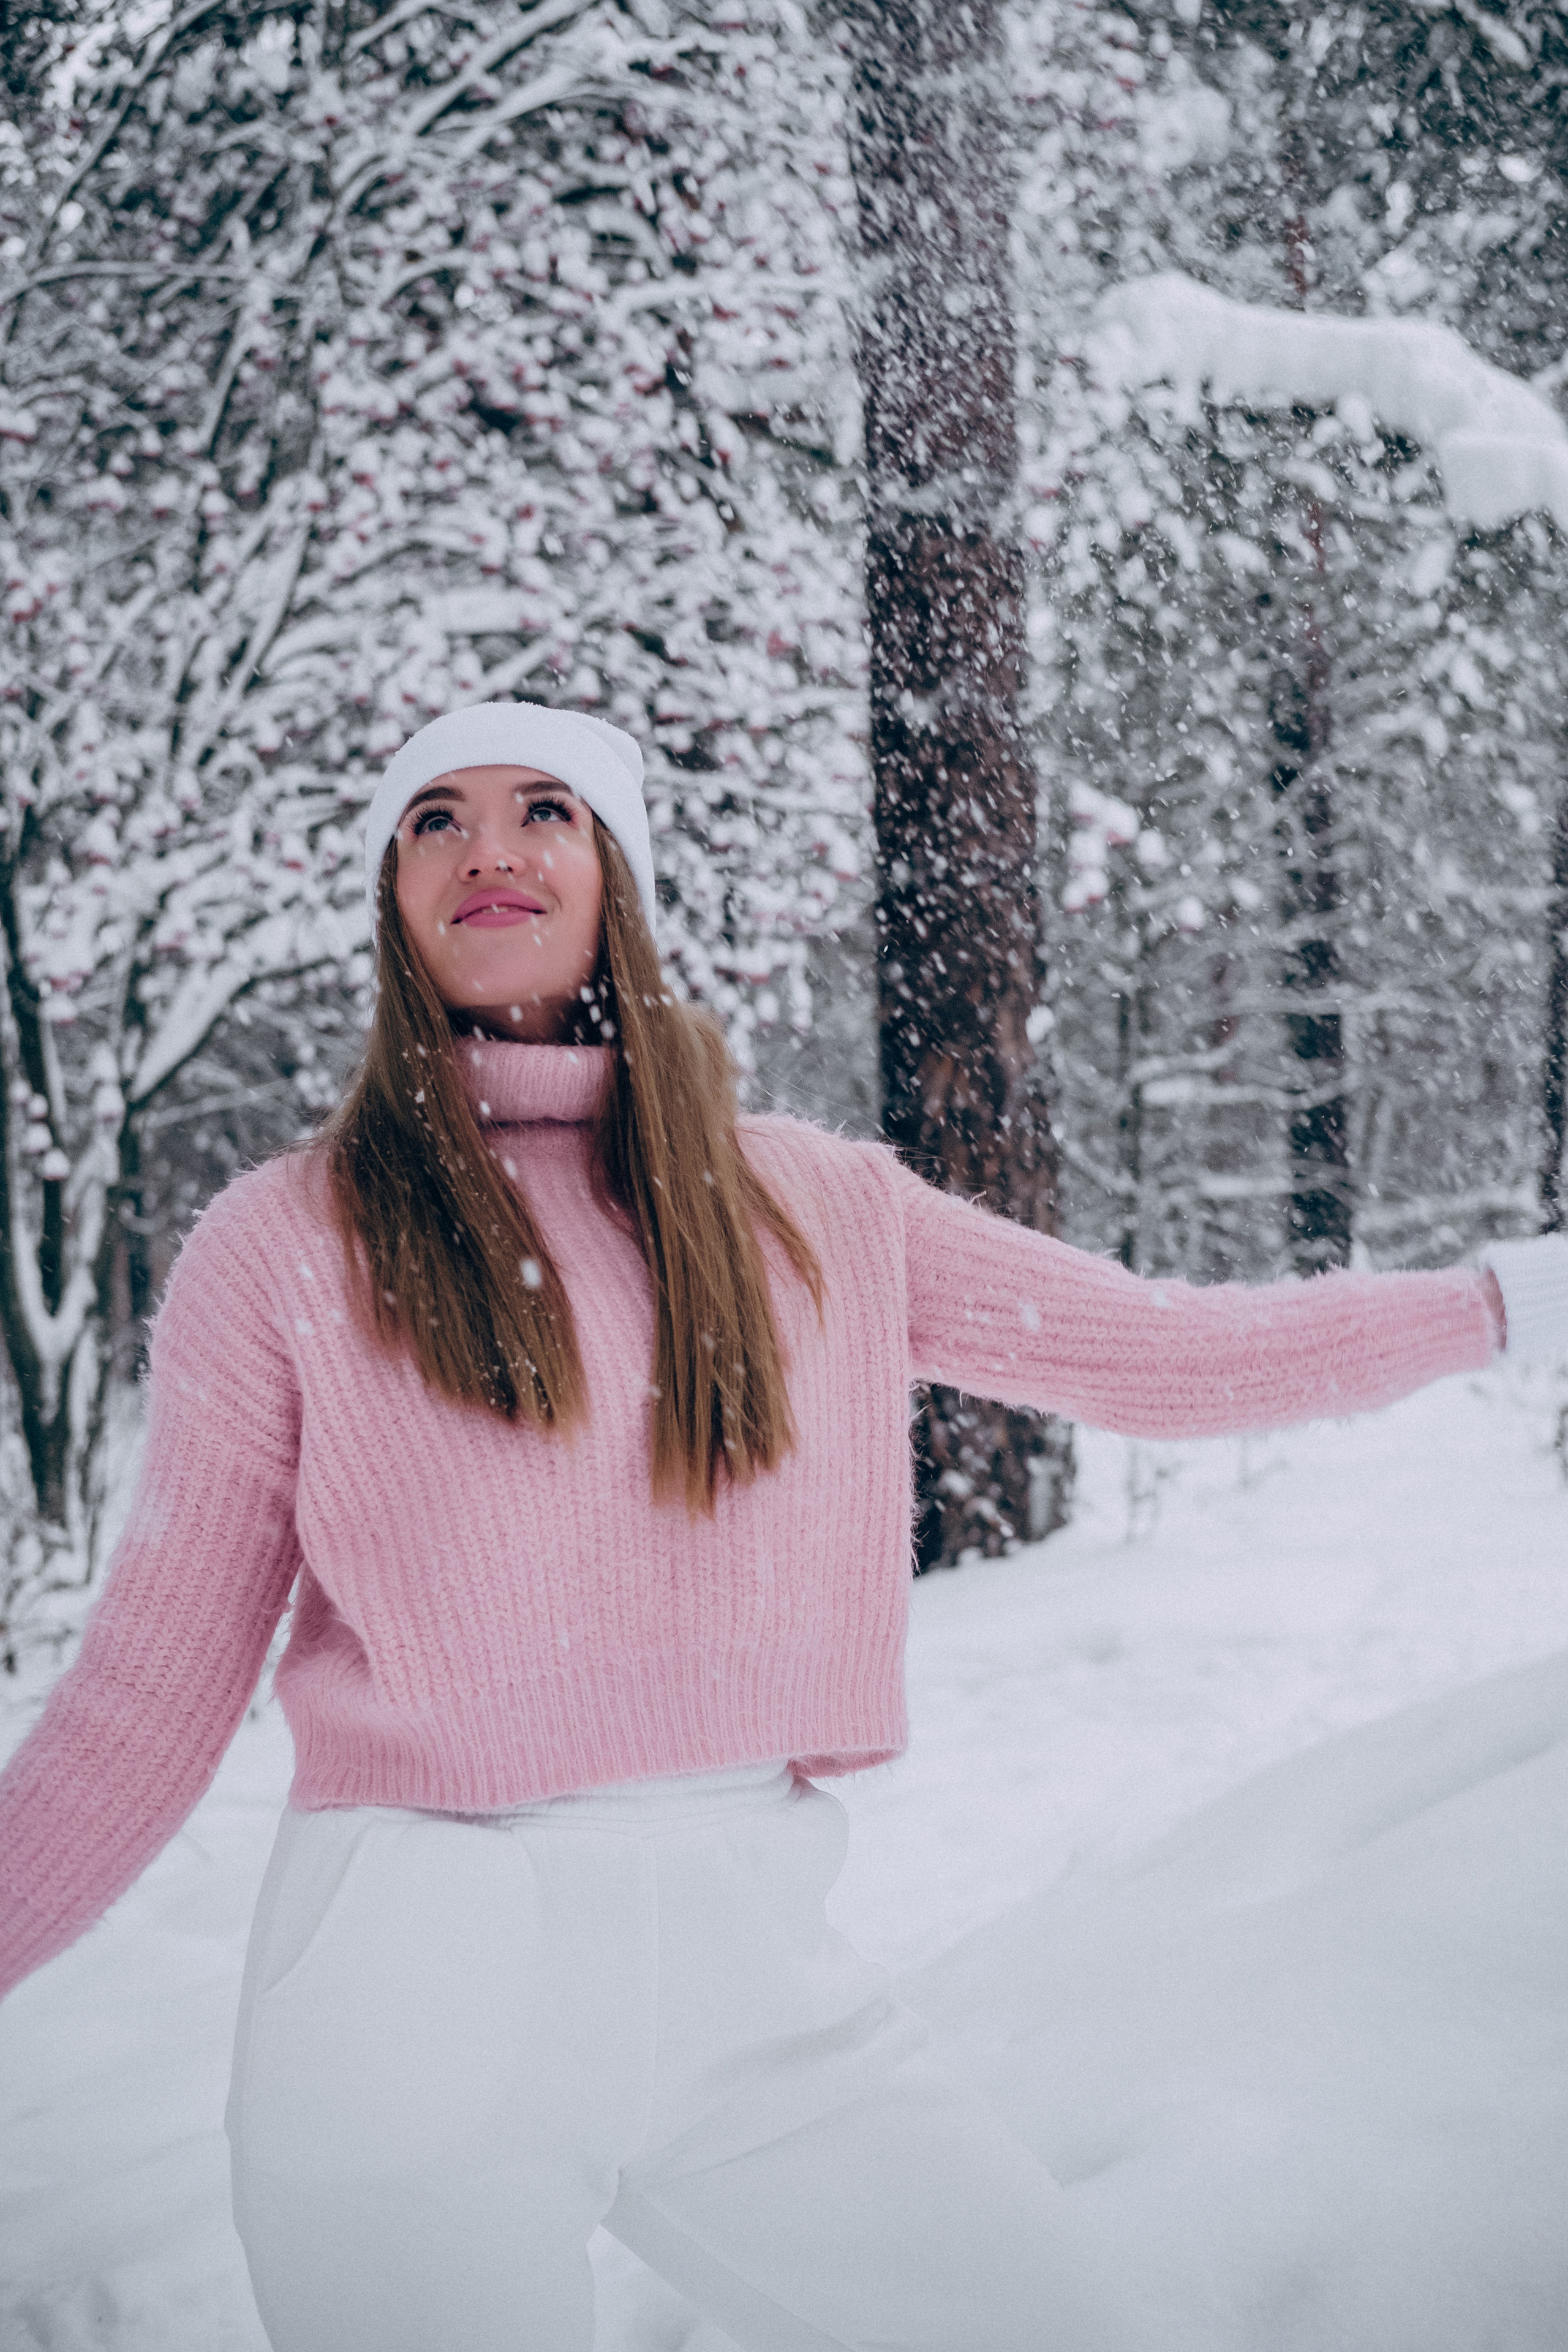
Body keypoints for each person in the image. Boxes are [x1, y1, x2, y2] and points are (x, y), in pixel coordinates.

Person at [1, 701, 1562, 2352]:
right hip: (410, 1993)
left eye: (544, 809)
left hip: (756, 1983)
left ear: (619, 874)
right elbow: (143, 1702)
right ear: (391, 895)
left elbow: (1168, 1352)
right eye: (433, 821)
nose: (489, 850)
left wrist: (1513, 1304)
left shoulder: (811, 1206)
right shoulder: (290, 1241)